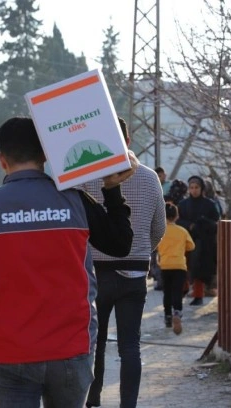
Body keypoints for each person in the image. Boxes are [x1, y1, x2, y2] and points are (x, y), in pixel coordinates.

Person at [0, 116, 136, 408]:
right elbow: (120, 244)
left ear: (1, 160)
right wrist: (111, 189)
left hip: (10, 353)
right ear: (45, 155)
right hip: (72, 350)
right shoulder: (75, 202)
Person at [82, 117, 166, 408]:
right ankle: (128, 404)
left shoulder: (85, 178)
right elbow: (159, 228)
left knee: (96, 343)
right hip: (135, 273)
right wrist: (141, 251)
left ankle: (92, 400)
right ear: (128, 142)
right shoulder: (149, 177)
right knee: (131, 345)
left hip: (95, 273)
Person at [177, 175, 220, 306]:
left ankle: (198, 295)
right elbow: (177, 220)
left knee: (199, 271)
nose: (194, 190)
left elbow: (216, 222)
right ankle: (183, 291)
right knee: (184, 268)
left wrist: (204, 222)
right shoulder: (183, 204)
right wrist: (189, 225)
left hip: (204, 243)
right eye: (191, 188)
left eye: (197, 187)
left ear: (202, 188)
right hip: (185, 240)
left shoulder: (210, 204)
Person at [157, 202, 195, 335]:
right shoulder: (182, 231)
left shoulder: (160, 231)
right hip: (179, 265)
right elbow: (191, 246)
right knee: (177, 291)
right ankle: (177, 312)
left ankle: (167, 316)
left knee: (167, 291)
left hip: (165, 265)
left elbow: (154, 245)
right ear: (177, 216)